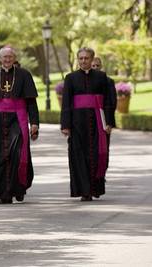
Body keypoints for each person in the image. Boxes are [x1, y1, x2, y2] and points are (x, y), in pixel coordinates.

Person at [0, 46, 39, 204]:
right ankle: (5, 193)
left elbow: (31, 102)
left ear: (14, 58)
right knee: (0, 156)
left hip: (17, 120)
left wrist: (34, 123)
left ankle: (18, 188)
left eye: (10, 57)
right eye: (4, 57)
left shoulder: (24, 75)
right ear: (0, 59)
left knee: (17, 155)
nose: (7, 60)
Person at [61, 47, 114, 201]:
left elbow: (108, 102)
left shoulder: (101, 77)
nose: (83, 61)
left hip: (98, 121)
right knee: (79, 155)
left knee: (98, 155)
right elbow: (66, 102)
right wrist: (65, 125)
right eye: (81, 58)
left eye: (86, 58)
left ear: (92, 60)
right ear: (78, 60)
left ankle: (96, 188)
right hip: (77, 123)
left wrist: (109, 122)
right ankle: (84, 190)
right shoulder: (70, 78)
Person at [91, 57, 117, 168]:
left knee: (104, 148)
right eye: (93, 66)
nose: (96, 68)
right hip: (90, 118)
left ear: (101, 66)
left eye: (98, 65)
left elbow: (112, 102)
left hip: (104, 120)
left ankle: (102, 171)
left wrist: (108, 122)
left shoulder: (109, 81)